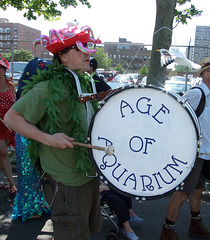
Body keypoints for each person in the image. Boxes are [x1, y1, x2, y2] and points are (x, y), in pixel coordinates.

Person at [4, 22, 108, 240]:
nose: (87, 54)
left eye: (87, 47)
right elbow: (11, 117)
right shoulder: (49, 87)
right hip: (66, 182)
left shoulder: (84, 83)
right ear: (63, 56)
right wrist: (48, 139)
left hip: (88, 175)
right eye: (80, 49)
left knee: (87, 231)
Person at [160, 56, 210, 240]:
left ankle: (195, 225)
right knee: (181, 194)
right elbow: (175, 115)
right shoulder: (197, 93)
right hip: (193, 154)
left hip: (206, 153)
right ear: (206, 73)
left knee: (197, 191)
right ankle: (167, 231)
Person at [12, 57, 52, 221]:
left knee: (36, 174)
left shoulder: (36, 90)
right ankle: (30, 207)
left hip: (34, 136)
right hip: (26, 138)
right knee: (28, 174)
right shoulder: (28, 92)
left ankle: (38, 205)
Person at [0, 54, 17, 195]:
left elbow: (14, 103)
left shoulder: (10, 85)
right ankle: (12, 183)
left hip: (8, 122)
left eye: (1, 68)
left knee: (1, 152)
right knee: (3, 152)